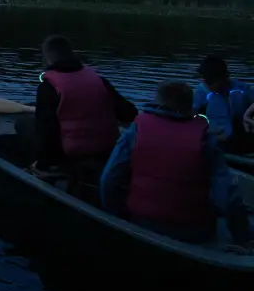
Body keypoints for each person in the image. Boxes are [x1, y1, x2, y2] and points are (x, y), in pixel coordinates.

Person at [101, 81, 251, 246]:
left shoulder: (136, 131)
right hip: (194, 231)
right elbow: (227, 199)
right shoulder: (206, 139)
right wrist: (243, 237)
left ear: (159, 103)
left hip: (141, 222)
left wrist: (118, 216)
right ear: (189, 107)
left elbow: (108, 180)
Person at [29, 35, 136, 177]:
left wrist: (44, 163)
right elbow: (129, 113)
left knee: (24, 124)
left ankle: (45, 168)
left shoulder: (48, 87)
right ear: (73, 54)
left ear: (46, 60)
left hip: (70, 154)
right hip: (106, 149)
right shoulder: (99, 80)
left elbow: (47, 131)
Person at [193, 56, 254, 153]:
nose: (208, 84)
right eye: (206, 80)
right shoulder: (200, 93)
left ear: (224, 77)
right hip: (217, 141)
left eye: (212, 81)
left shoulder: (242, 88)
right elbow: (192, 118)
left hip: (243, 136)